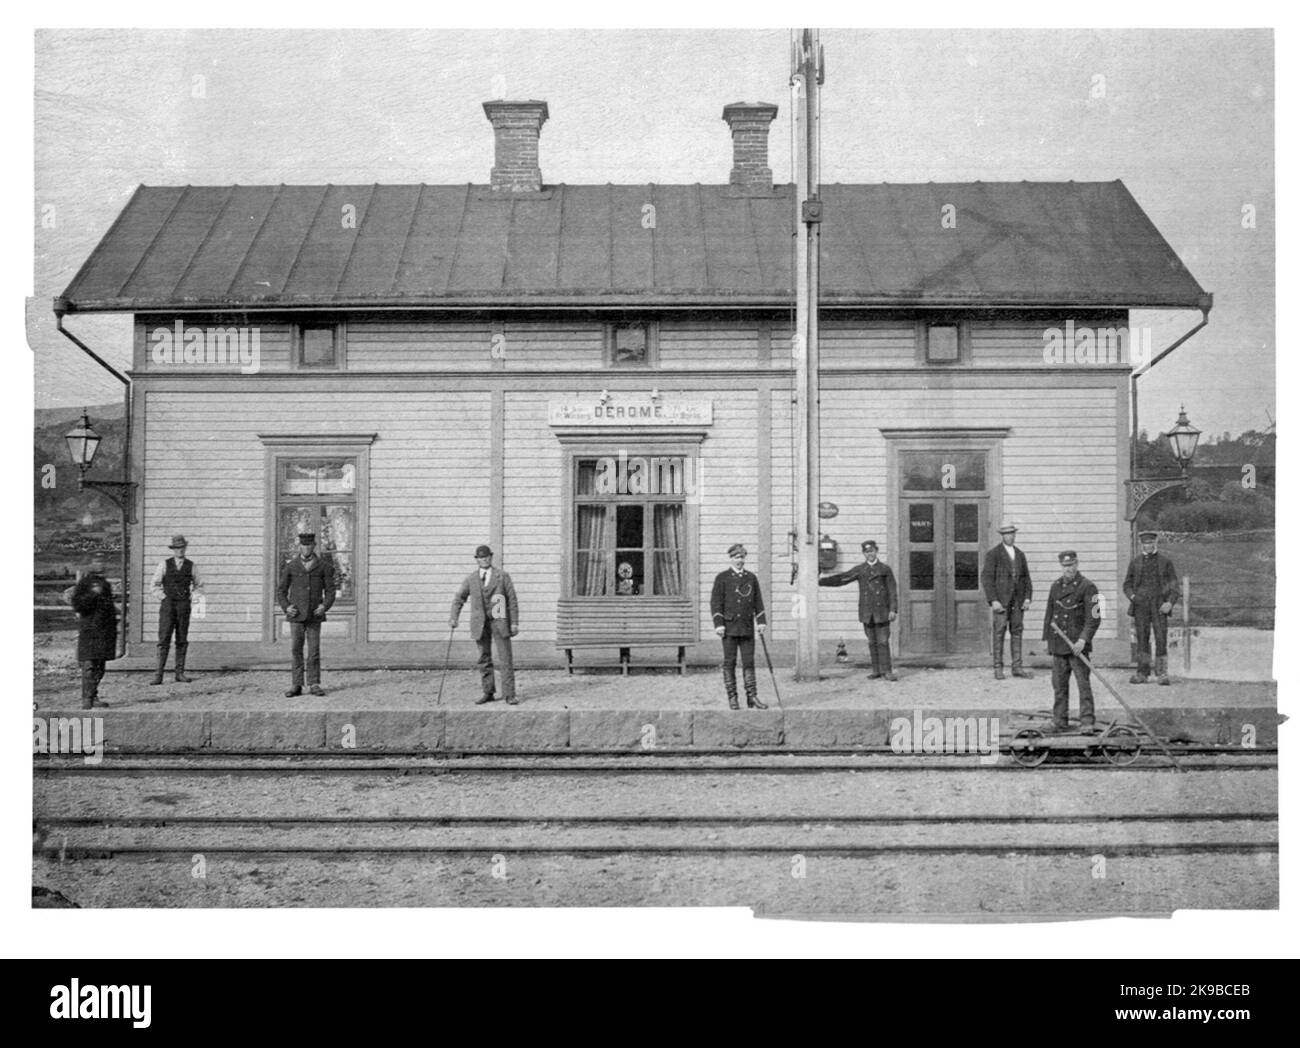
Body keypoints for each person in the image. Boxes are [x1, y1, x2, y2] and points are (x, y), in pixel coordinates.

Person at [819, 540, 899, 681]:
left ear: (877, 551)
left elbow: (892, 590)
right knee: (872, 642)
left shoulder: (885, 569)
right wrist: (820, 581)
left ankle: (887, 671)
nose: (870, 554)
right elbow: (842, 579)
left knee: (883, 642)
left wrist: (893, 609)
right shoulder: (860, 569)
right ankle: (876, 671)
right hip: (867, 612)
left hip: (882, 611)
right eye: (867, 552)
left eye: (872, 551)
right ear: (864, 554)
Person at [450, 544, 520, 705]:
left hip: (499, 621)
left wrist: (514, 623)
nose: (484, 560)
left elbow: (512, 601)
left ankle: (509, 694)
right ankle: (488, 692)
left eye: (487, 557)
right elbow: (459, 598)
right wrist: (454, 617)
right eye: (481, 557)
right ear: (477, 560)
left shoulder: (502, 576)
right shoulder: (471, 579)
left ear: (491, 557)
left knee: (505, 658)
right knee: (484, 658)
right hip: (480, 624)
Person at [1042, 551, 1102, 731]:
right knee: (1059, 687)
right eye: (1065, 566)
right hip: (1060, 645)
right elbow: (1049, 616)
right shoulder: (1056, 586)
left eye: (1071, 565)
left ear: (1077, 565)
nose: (1068, 569)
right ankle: (1059, 721)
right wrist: (1049, 643)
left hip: (1077, 647)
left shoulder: (1088, 587)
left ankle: (1087, 721)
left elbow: (1094, 618)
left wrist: (1083, 640)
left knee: (1083, 685)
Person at [276, 532, 336, 697]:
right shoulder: (291, 566)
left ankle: (314, 683)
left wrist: (324, 606)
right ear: (299, 546)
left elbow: (330, 591)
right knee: (296, 649)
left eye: (309, 545)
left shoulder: (324, 566)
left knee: (314, 650)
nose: (306, 548)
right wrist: (286, 607)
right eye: (303, 545)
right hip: (296, 615)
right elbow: (281, 591)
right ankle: (296, 684)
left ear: (314, 546)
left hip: (314, 615)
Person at [710, 543, 768, 709]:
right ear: (731, 558)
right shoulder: (722, 578)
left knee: (749, 662)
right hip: (728, 628)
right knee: (730, 663)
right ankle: (733, 698)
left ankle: (752, 696)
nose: (739, 561)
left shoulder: (751, 578)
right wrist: (719, 625)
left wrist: (761, 621)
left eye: (742, 557)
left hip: (747, 627)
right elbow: (715, 603)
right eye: (736, 557)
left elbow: (758, 601)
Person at [1123, 530, 1180, 686]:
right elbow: (1127, 585)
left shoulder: (1165, 562)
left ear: (1156, 543)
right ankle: (1142, 673)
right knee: (1142, 639)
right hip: (1141, 605)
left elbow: (1175, 587)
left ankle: (1162, 674)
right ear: (1142, 544)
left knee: (1161, 638)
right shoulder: (1135, 562)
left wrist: (1169, 603)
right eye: (1146, 543)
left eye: (1151, 543)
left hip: (1159, 605)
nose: (1148, 546)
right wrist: (1133, 597)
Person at [981, 521, 1033, 680]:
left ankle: (1017, 667)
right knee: (999, 633)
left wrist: (1027, 598)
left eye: (1012, 533)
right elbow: (987, 579)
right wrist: (993, 600)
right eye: (1007, 534)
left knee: (1017, 632)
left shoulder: (1020, 554)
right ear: (1002, 536)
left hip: (1017, 602)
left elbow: (1026, 579)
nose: (1010, 536)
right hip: (1001, 601)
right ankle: (998, 668)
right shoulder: (993, 554)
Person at [149, 534, 204, 685]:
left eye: (182, 548)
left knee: (181, 639)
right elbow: (154, 585)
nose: (180, 551)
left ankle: (179, 673)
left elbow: (199, 585)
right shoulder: (164, 564)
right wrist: (164, 597)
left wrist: (192, 597)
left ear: (185, 548)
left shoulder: (191, 565)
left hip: (183, 606)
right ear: (173, 549)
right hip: (167, 606)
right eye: (177, 548)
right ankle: (158, 674)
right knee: (164, 639)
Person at [70, 559, 118, 709]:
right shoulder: (84, 584)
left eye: (102, 561)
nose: (101, 565)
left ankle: (93, 695)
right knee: (89, 664)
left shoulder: (106, 585)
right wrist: (92, 595)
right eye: (97, 562)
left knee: (100, 665)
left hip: (104, 630)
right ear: (92, 566)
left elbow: (109, 608)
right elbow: (77, 605)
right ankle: (87, 698)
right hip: (90, 629)